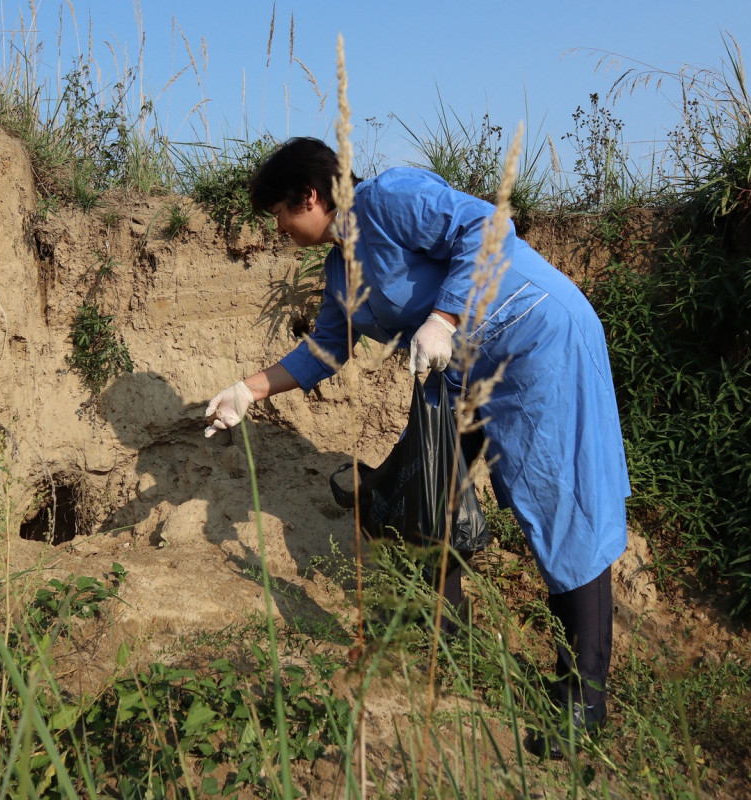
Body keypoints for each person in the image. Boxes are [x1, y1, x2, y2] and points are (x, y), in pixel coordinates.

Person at [202, 137, 630, 756]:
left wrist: (445, 317)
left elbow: (489, 228)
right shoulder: (340, 270)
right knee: (419, 492)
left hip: (533, 335)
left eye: (278, 214)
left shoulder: (388, 198)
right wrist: (250, 390)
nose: (277, 228)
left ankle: (584, 700)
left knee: (558, 503)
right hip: (463, 368)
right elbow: (327, 347)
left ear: (311, 197)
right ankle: (445, 631)